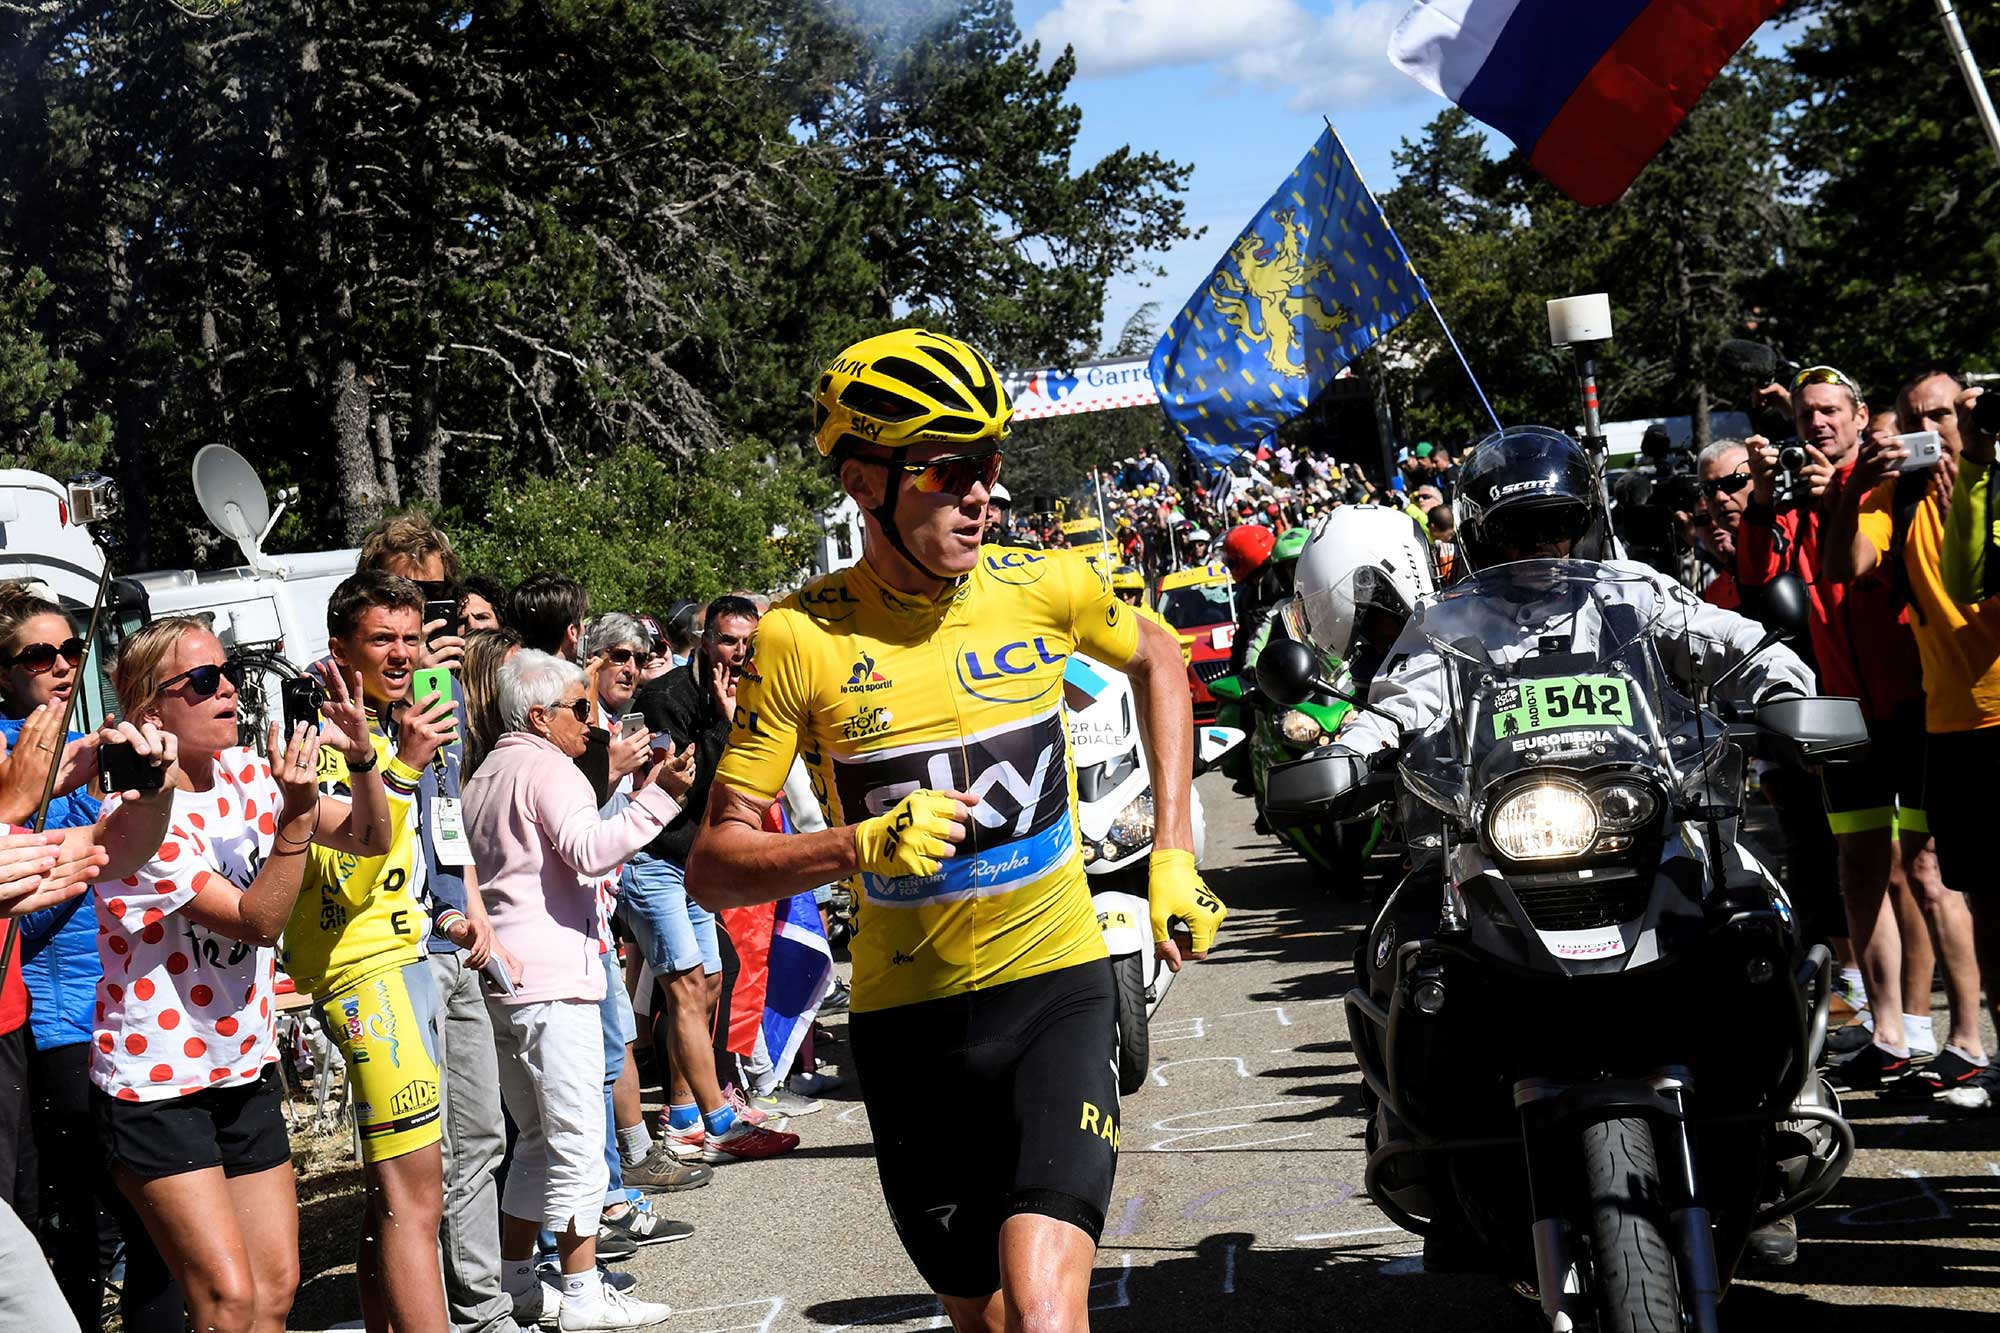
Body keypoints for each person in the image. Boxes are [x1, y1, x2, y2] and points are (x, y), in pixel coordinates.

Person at [685, 328, 1225, 1331]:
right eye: (947, 469)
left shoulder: (1043, 586)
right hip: (910, 1026)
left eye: (988, 464)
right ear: (862, 482)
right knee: (980, 1314)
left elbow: (1157, 656)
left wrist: (1173, 850)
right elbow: (713, 869)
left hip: (1058, 989)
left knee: (1045, 1309)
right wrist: (858, 844)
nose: (980, 492)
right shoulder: (799, 638)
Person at [95, 617, 388, 1333]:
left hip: (242, 1066)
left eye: (228, 673)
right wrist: (293, 821)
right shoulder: (132, 820)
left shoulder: (249, 773)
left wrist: (364, 761)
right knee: (227, 1300)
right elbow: (258, 920)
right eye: (202, 680)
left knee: (274, 1289)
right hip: (158, 1082)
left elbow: (370, 837)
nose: (228, 687)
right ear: (149, 710)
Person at [463, 650, 697, 1331]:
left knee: (535, 1140)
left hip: (505, 979)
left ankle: (519, 1285)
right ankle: (584, 1291)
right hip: (552, 978)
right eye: (580, 707)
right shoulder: (548, 767)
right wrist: (662, 796)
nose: (592, 723)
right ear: (540, 715)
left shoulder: (488, 770)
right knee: (571, 1139)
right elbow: (590, 849)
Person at [285, 572, 473, 1333]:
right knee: (415, 1194)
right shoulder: (317, 736)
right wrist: (397, 764)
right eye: (381, 639)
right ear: (340, 650)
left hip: (403, 956)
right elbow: (346, 862)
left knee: (391, 1191)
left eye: (410, 637)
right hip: (363, 972)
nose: (402, 655)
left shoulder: (392, 722)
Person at [0, 585, 184, 1330]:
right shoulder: (18, 755)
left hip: (119, 1010)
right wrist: (32, 808)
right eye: (38, 653)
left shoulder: (82, 748)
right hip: (50, 1024)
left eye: (72, 649)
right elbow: (29, 908)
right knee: (70, 1216)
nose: (60, 664)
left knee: (129, 1215)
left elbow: (107, 854)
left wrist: (147, 793)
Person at [355, 528, 522, 1333]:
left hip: (455, 934)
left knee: (482, 1133)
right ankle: (475, 1313)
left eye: (432, 604)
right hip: (394, 949)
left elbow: (449, 818)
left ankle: (481, 1304)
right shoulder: (345, 711)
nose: (415, 627)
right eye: (398, 599)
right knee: (429, 1158)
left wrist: (478, 905)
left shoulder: (442, 691)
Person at [1831, 370, 2000, 1104]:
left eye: (1948, 413)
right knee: (1983, 899)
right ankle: (1987, 1048)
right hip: (1952, 725)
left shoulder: (1993, 486)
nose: (1936, 429)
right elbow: (1844, 568)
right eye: (1918, 419)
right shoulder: (1891, 496)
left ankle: (1963, 1038)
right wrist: (1853, 489)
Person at [629, 597, 801, 1162]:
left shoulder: (755, 693)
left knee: (710, 982)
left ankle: (684, 1109)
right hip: (655, 857)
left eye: (748, 641)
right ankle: (710, 1121)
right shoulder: (665, 697)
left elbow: (760, 785)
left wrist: (734, 718)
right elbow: (680, 785)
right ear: (705, 640)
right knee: (683, 986)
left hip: (694, 862)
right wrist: (726, 725)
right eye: (728, 640)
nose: (739, 652)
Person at [578, 614, 711, 1231]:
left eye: (639, 656)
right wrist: (632, 775)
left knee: (694, 987)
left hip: (617, 890)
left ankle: (647, 1144)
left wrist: (659, 781)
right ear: (591, 659)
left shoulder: (618, 725)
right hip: (614, 884)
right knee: (630, 1024)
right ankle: (683, 1128)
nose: (632, 667)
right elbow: (580, 818)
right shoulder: (578, 728)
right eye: (618, 656)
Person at [1695, 440, 1752, 609]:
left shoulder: (1796, 540)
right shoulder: (1715, 594)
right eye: (1709, 489)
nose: (1720, 497)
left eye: (1732, 483)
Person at [1221, 523, 1279, 677]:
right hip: (1259, 674)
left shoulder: (1280, 583)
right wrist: (1235, 673)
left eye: (1232, 562)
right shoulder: (1248, 594)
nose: (1230, 567)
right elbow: (1242, 638)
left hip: (1287, 668)